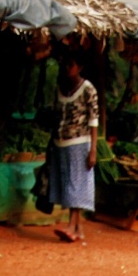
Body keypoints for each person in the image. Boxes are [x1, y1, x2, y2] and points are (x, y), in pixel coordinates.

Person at [45, 52, 98, 244]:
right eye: (65, 65)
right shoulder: (60, 89)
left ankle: (72, 225)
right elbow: (56, 116)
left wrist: (93, 149)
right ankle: (78, 228)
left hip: (79, 143)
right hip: (61, 143)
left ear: (80, 68)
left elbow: (94, 120)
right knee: (68, 184)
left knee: (76, 184)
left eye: (71, 65)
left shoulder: (87, 89)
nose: (67, 69)